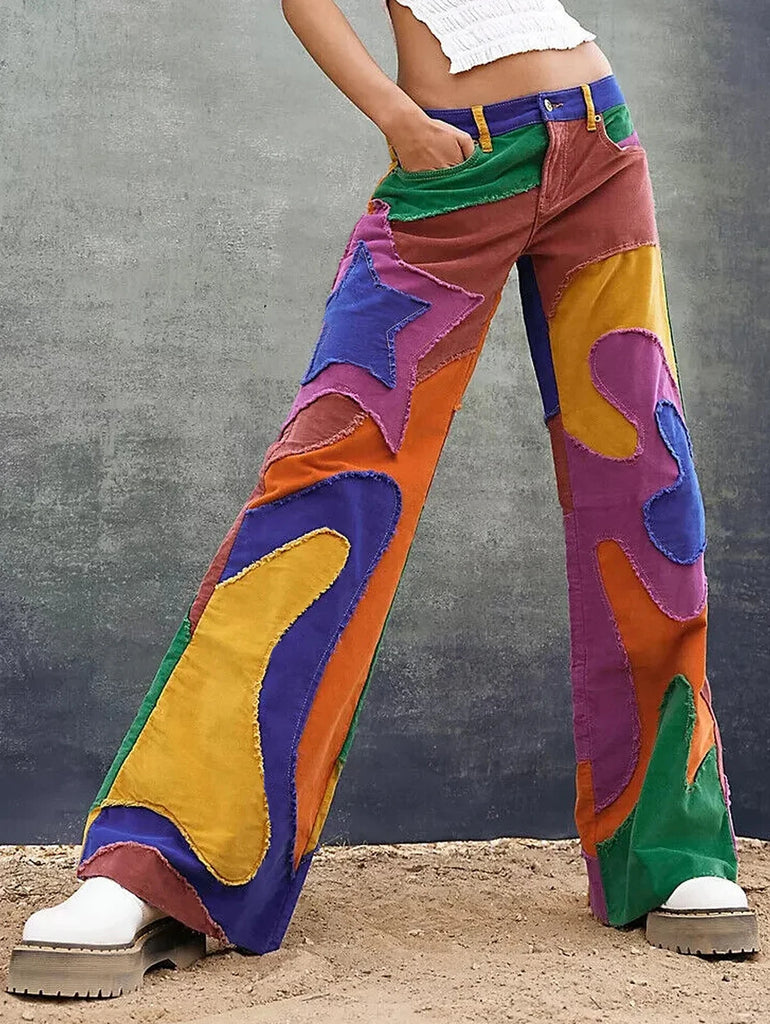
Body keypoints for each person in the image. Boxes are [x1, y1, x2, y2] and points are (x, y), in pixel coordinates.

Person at [8, 0, 759, 1000]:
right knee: (324, 488)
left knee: (648, 492)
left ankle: (672, 851)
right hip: (455, 156)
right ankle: (163, 862)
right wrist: (395, 116)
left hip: (599, 141)